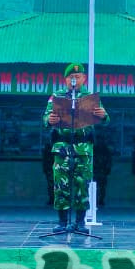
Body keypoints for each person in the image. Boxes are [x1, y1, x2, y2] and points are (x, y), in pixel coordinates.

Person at [44, 63, 108, 232]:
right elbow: (45, 117)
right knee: (61, 184)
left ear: (84, 78)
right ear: (65, 79)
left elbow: (104, 117)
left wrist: (103, 116)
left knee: (82, 183)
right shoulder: (57, 96)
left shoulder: (89, 97)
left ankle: (80, 222)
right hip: (62, 145)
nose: (74, 80)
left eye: (78, 77)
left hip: (83, 147)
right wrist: (49, 120)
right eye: (71, 77)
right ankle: (62, 222)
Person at [92, 136, 113, 208]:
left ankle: (101, 199)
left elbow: (109, 161)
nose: (100, 141)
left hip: (103, 171)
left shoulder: (106, 150)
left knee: (102, 186)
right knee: (94, 186)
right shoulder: (94, 149)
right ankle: (95, 199)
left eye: (102, 139)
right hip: (95, 170)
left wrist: (107, 169)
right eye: (99, 139)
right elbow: (91, 160)